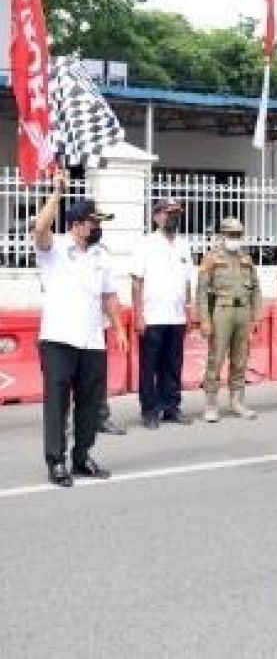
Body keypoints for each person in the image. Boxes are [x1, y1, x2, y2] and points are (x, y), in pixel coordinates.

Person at [33, 170, 127, 487]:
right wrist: (58, 192)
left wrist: (119, 329)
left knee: (89, 404)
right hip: (58, 338)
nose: (99, 227)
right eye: (94, 222)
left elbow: (109, 296)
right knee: (57, 403)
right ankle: (56, 461)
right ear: (76, 224)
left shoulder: (101, 255)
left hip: (92, 340)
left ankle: (82, 456)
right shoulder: (55, 249)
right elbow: (40, 226)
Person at [131, 198, 195, 429]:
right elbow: (137, 281)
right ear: (157, 216)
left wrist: (189, 310)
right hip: (152, 316)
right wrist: (138, 314)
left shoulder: (184, 244)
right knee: (150, 366)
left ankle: (171, 407)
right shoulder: (145, 244)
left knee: (173, 365)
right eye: (169, 213)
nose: (173, 217)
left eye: (177, 213)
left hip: (176, 317)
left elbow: (188, 281)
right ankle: (150, 410)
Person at [196, 217, 262, 423]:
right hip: (221, 311)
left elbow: (256, 289)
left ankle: (237, 401)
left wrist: (256, 316)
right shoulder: (211, 258)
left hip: (242, 311)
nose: (235, 239)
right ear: (222, 236)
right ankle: (211, 404)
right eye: (231, 235)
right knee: (216, 358)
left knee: (240, 359)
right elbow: (202, 292)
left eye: (238, 235)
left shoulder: (246, 259)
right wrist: (204, 320)